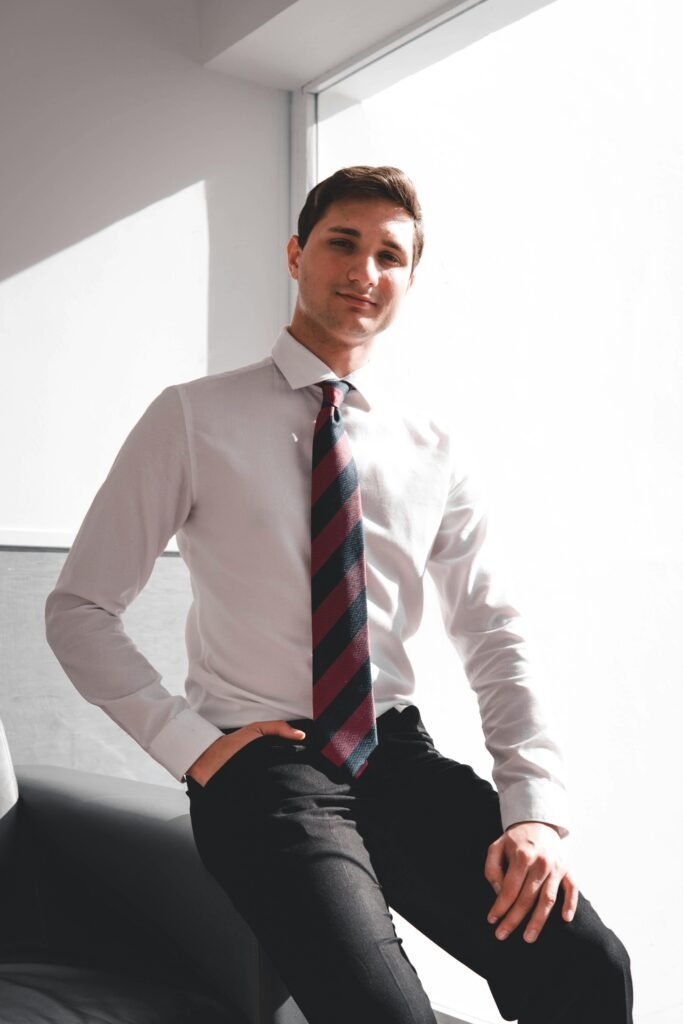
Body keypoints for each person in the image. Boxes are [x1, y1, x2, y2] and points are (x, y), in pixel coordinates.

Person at [46, 165, 632, 1023]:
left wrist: (532, 811)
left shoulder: (430, 447)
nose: (364, 271)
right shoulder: (190, 418)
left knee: (588, 966)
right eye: (342, 244)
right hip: (263, 772)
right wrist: (192, 748)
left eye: (389, 255)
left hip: (398, 759)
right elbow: (79, 611)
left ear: (408, 279)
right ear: (296, 254)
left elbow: (494, 630)